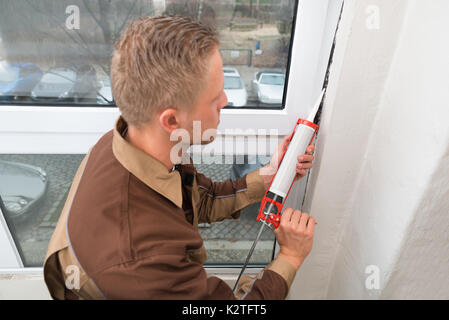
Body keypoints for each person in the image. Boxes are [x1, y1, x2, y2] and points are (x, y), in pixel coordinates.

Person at [43, 15, 316, 300]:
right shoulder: (143, 265)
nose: (225, 100)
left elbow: (200, 199)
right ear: (171, 120)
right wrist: (291, 256)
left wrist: (269, 174)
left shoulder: (131, 141)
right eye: (215, 98)